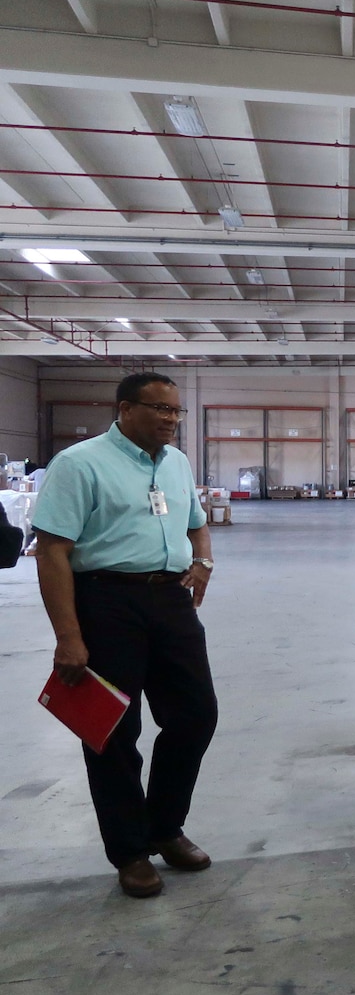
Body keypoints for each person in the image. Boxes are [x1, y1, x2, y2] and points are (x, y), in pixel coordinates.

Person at [30, 372, 218, 899]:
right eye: (160, 409)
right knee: (113, 732)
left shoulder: (176, 463)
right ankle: (130, 851)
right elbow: (52, 551)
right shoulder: (79, 463)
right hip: (106, 601)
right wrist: (68, 635)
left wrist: (203, 560)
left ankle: (165, 827)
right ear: (125, 409)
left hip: (171, 601)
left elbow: (196, 522)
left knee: (196, 715)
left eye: (176, 411)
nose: (171, 419)